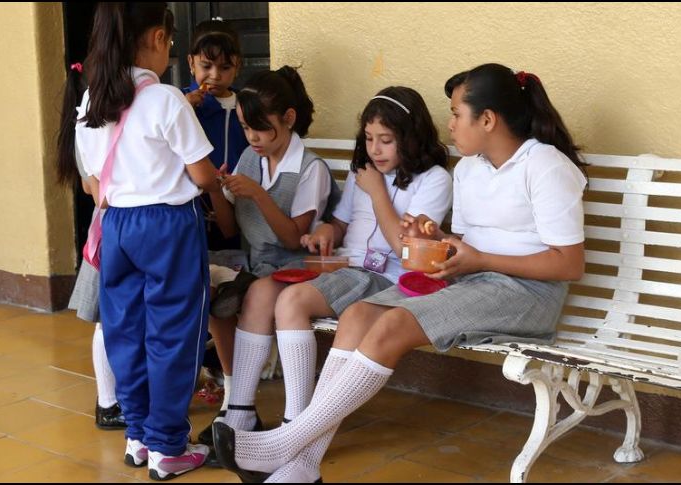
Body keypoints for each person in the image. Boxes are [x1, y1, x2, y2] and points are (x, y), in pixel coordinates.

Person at [213, 62, 589, 483]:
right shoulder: (469, 169)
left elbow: (568, 263)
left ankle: (287, 444)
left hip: (528, 294)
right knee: (357, 315)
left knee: (393, 323)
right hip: (472, 281)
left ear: (487, 119)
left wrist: (480, 260)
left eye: (456, 114)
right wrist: (431, 237)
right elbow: (462, 246)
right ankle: (303, 466)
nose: (450, 126)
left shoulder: (545, 165)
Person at [72, 3, 222, 480]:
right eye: (172, 43)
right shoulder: (165, 100)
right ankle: (168, 446)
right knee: (173, 335)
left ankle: (137, 436)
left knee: (126, 331)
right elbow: (202, 175)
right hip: (167, 226)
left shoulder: (94, 97)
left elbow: (91, 180)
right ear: (158, 38)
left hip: (116, 226)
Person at [267, 86, 452, 443]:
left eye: (386, 139)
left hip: (393, 280)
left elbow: (406, 251)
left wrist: (378, 191)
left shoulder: (434, 180)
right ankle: (297, 416)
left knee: (299, 302)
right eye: (368, 138)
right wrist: (325, 231)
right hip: (351, 270)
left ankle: (300, 429)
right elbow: (341, 224)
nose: (375, 149)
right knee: (288, 300)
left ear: (410, 138)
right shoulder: (363, 172)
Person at [194, 66, 340, 446]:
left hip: (297, 267)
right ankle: (238, 408)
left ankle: (247, 413)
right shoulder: (248, 158)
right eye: (245, 127)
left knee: (257, 293)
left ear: (289, 119)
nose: (252, 138)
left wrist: (258, 193)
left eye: (260, 127)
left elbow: (294, 238)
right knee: (208, 289)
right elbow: (229, 228)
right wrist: (214, 189)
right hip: (257, 264)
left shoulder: (311, 169)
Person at [56, 61, 126, 432]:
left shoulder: (93, 126)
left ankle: (114, 399)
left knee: (112, 319)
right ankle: (108, 402)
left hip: (110, 233)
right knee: (105, 320)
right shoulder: (90, 130)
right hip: (109, 235)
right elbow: (95, 189)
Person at [182, 18, 249, 251]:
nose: (215, 76)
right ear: (191, 63)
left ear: (237, 65)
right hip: (192, 210)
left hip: (238, 207)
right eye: (206, 66)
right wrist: (184, 108)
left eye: (225, 67)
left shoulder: (246, 105)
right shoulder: (178, 103)